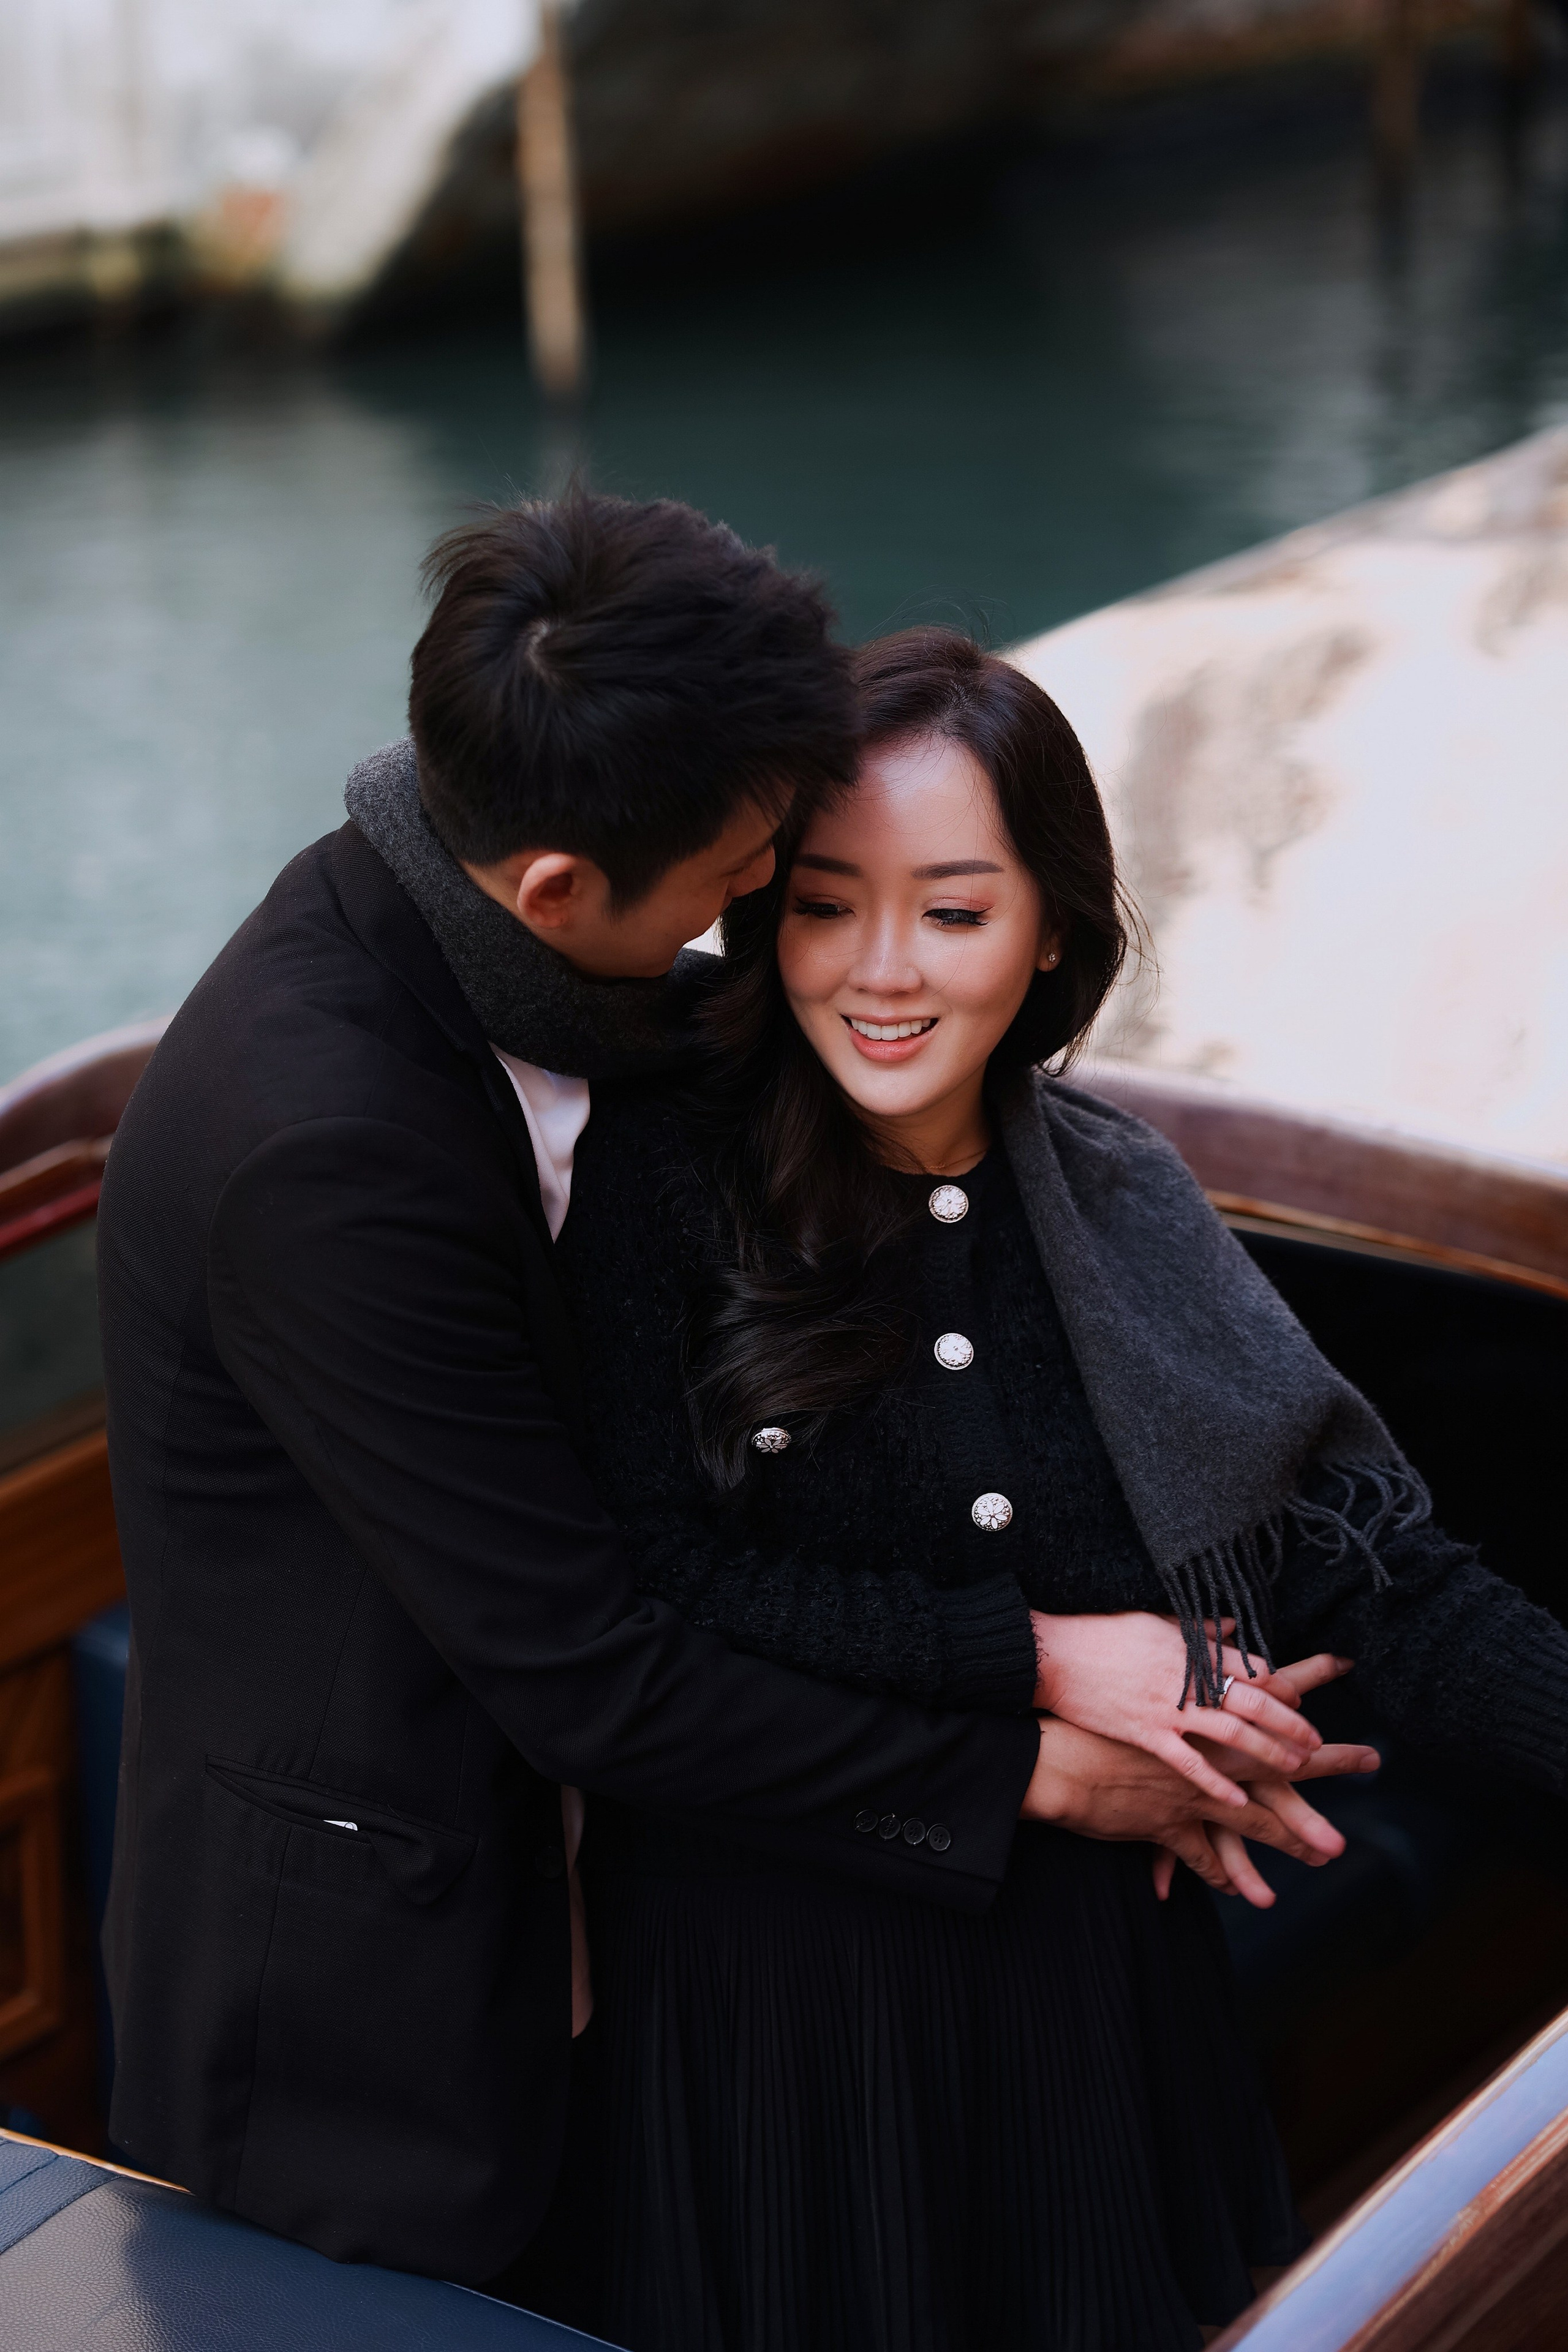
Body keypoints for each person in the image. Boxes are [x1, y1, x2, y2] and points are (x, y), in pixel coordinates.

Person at [94, 496, 1335, 2292]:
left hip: (640, 1908)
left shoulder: (523, 931)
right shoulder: (325, 1153)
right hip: (385, 1992)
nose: (761, 910)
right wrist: (1047, 1742)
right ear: (555, 893)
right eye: (747, 871)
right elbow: (591, 1666)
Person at [552, 626, 1568, 2352]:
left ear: (1050, 937)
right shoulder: (655, 1179)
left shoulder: (1128, 1203)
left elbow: (1376, 1583)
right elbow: (644, 1601)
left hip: (1094, 2027)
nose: (883, 971)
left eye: (954, 912)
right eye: (822, 903)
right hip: (773, 2042)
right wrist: (1031, 1680)